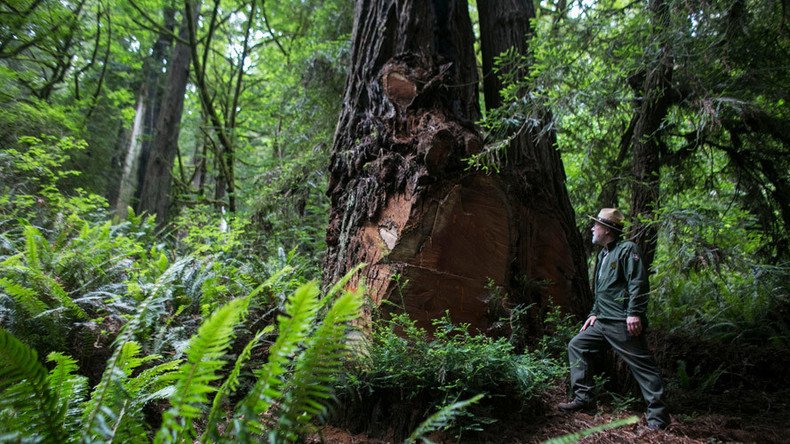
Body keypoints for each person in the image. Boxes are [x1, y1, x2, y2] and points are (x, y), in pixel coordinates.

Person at [558, 208, 669, 430]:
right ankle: (585, 399)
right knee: (577, 345)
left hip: (621, 322)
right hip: (602, 322)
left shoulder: (628, 250)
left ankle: (658, 419)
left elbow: (637, 282)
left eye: (595, 225)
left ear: (607, 230)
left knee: (643, 368)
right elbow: (601, 290)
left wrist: (634, 313)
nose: (592, 228)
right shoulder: (603, 254)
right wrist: (593, 313)